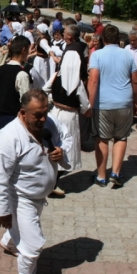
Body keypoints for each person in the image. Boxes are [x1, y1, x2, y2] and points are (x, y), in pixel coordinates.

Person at [0, 89, 72, 274]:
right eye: (37, 115)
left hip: (38, 196)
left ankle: (9, 241)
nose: (43, 119)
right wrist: (4, 210)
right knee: (34, 245)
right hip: (20, 197)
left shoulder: (49, 124)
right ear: (23, 112)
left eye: (45, 112)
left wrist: (61, 151)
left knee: (25, 231)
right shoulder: (9, 136)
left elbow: (67, 136)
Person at [87, 25, 137, 187]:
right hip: (124, 102)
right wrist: (136, 101)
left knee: (102, 139)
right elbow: (135, 81)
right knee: (121, 137)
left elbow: (93, 80)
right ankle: (116, 172)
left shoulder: (97, 55)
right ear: (119, 39)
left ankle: (101, 176)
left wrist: (90, 104)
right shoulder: (128, 55)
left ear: (103, 39)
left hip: (103, 104)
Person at [43, 51, 91, 196]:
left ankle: (50, 178)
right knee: (65, 146)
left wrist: (54, 99)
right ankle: (53, 182)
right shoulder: (78, 83)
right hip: (70, 117)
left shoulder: (56, 76)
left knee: (53, 144)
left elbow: (45, 89)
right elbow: (85, 105)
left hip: (55, 113)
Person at [30, 23, 52, 89]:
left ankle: (41, 88)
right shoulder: (40, 39)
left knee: (41, 75)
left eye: (37, 30)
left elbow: (48, 50)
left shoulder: (43, 41)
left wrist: (34, 53)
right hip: (39, 60)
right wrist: (33, 51)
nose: (37, 32)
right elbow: (38, 48)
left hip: (41, 61)